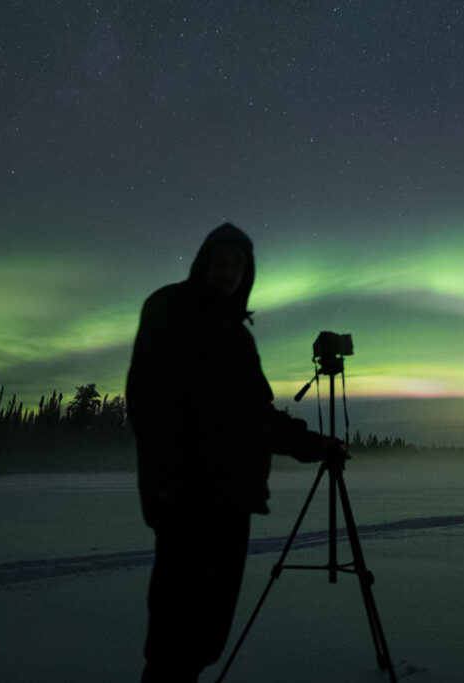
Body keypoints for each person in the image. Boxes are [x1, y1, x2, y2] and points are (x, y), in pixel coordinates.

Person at [126, 223, 344, 681]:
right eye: (220, 262)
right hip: (187, 499)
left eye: (237, 266)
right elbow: (149, 398)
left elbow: (257, 418)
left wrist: (314, 445)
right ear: (203, 263)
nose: (227, 273)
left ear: (246, 275)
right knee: (173, 637)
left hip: (232, 500)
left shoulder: (237, 335)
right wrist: (168, 481)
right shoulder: (169, 308)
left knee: (206, 636)